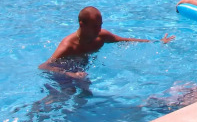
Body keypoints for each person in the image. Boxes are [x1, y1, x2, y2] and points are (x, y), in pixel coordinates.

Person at [39, 6, 174, 78]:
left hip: (82, 69)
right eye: (95, 26)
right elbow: (44, 66)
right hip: (66, 70)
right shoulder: (68, 46)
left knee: (86, 94)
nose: (99, 30)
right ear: (82, 25)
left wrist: (157, 41)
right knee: (64, 95)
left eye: (100, 25)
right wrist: (70, 74)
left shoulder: (101, 36)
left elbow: (126, 40)